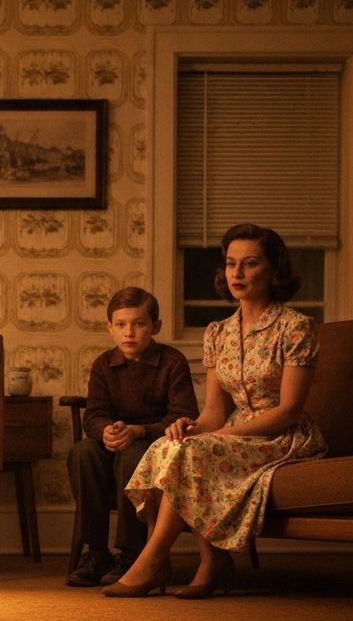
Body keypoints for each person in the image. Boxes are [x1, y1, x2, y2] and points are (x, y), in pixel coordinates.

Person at [104, 223, 328, 598]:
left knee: (195, 451)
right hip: (234, 433)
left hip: (281, 436)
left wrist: (216, 436)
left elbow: (289, 410)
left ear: (274, 270)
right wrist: (188, 427)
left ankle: (154, 560)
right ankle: (213, 562)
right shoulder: (217, 332)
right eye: (230, 264)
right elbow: (213, 411)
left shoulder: (295, 328)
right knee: (168, 446)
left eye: (250, 263)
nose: (237, 274)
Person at [66, 286, 198, 587]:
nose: (130, 333)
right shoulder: (104, 365)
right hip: (115, 443)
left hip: (155, 447)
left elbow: (182, 415)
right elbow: (94, 415)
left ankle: (131, 552)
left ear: (156, 327)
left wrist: (141, 431)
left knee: (132, 455)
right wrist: (107, 431)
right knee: (82, 452)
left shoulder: (172, 361)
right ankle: (96, 551)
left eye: (139, 324)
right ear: (110, 328)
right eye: (122, 325)